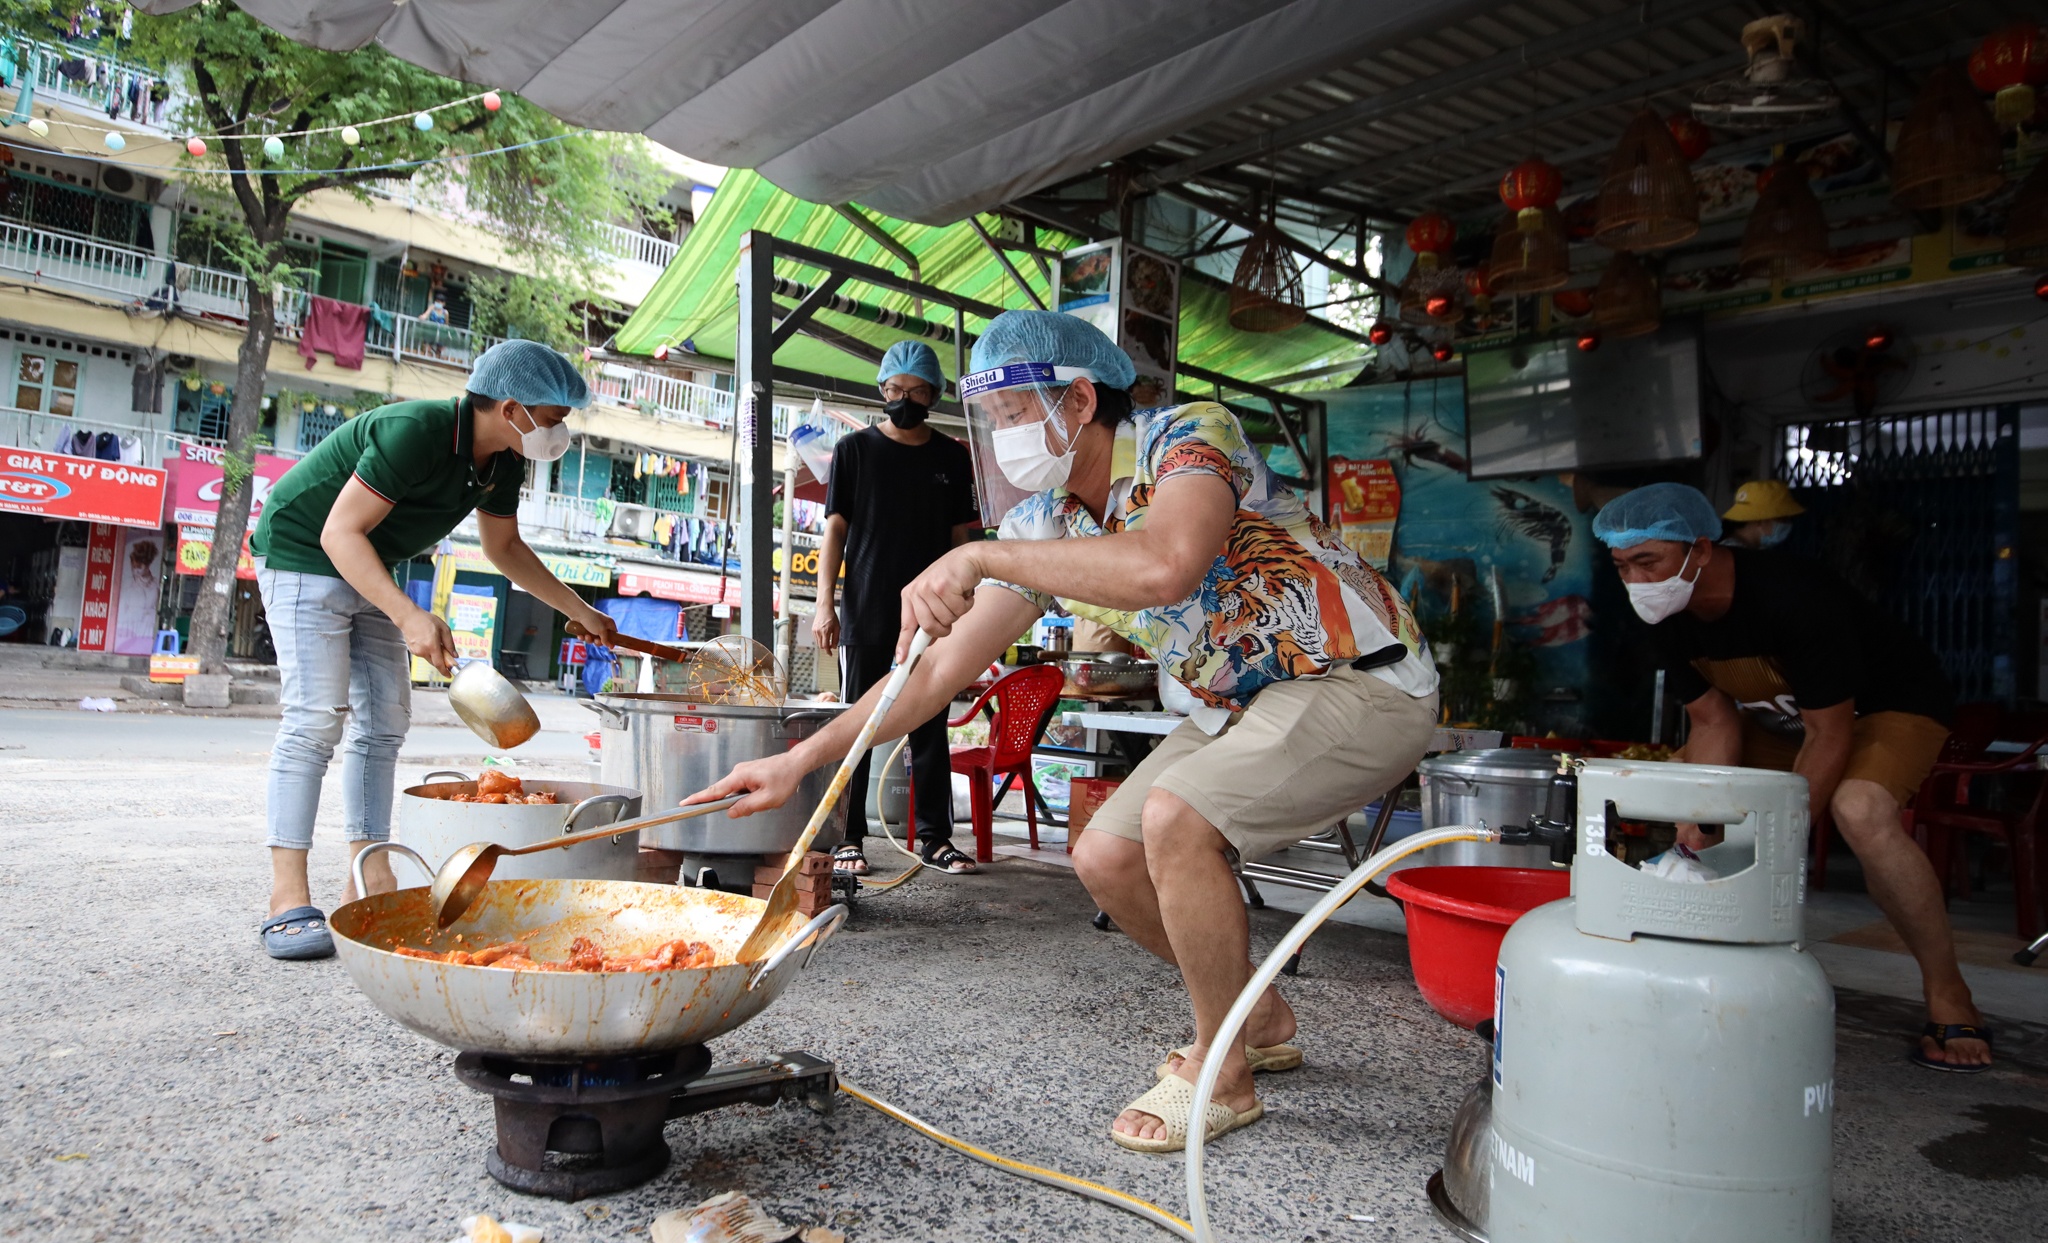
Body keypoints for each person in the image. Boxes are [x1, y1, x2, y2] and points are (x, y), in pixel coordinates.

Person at [699, 311, 1439, 1151]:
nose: (1002, 437)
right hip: (1243, 702)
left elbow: (1167, 563)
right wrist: (798, 760)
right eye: (992, 420)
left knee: (1177, 819)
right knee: (1107, 855)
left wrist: (980, 556)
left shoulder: (1188, 436)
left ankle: (1223, 1068)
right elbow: (934, 675)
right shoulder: (1046, 521)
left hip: (1358, 676)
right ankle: (1257, 1014)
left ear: (1080, 400)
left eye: (1014, 413)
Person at [1595, 483, 1989, 1072]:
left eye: (1648, 561)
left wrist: (1780, 843)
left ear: (1700, 549)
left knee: (1860, 809)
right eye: (1623, 566)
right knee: (1669, 791)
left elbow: (1829, 734)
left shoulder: (1795, 595)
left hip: (1883, 707)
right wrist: (1702, 819)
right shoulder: (1666, 614)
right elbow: (1713, 722)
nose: (1637, 581)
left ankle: (1949, 991)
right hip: (1781, 718)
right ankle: (1679, 975)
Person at [249, 340, 617, 961]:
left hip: (369, 560)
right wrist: (408, 615)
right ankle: (287, 898)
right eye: (554, 418)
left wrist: (579, 610)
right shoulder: (416, 432)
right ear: (511, 408)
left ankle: (370, 877)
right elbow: (339, 532)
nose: (559, 432)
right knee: (315, 719)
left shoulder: (504, 460)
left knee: (384, 724)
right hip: (304, 551)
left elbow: (504, 549)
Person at [810, 340, 981, 877]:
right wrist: (824, 604)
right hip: (867, 608)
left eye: (917, 391)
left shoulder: (952, 457)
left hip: (934, 612)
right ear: (882, 390)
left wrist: (967, 610)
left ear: (934, 394)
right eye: (895, 389)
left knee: (930, 722)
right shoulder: (854, 451)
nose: (905, 399)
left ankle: (934, 839)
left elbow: (961, 539)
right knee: (859, 721)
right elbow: (834, 531)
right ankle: (847, 837)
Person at [1720, 478, 1805, 549]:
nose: (1788, 524)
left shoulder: (1747, 549)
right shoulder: (1733, 554)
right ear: (1760, 520)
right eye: (1783, 519)